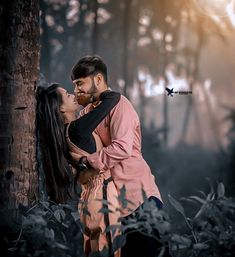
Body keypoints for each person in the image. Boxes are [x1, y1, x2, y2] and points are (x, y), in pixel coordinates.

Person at [70, 55, 171, 257]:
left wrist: (88, 162)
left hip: (140, 197)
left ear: (98, 79)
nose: (76, 90)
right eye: (74, 85)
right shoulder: (86, 113)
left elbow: (122, 148)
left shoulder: (120, 105)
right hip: (114, 204)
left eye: (80, 83)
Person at [36, 83, 121, 257]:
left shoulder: (66, 133)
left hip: (91, 200)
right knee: (109, 251)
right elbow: (113, 97)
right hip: (101, 198)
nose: (73, 94)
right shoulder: (77, 129)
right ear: (60, 108)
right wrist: (93, 93)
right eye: (67, 95)